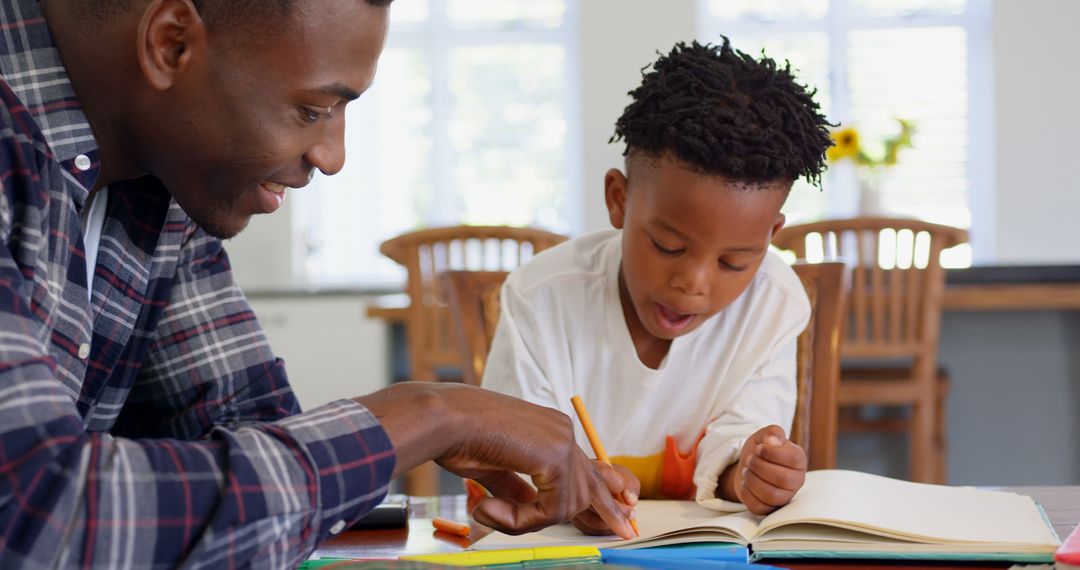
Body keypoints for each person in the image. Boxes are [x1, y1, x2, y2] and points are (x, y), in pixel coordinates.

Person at [0, 0, 635, 567]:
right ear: (171, 44)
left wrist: (422, 431)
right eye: (311, 109)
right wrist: (432, 415)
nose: (331, 156)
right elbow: (37, 514)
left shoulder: (166, 186)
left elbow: (250, 431)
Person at [482, 39, 834, 533]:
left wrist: (753, 472)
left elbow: (739, 439)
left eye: (735, 261)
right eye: (668, 246)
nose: (692, 283)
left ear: (770, 236)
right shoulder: (542, 297)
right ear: (619, 200)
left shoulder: (773, 302)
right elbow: (511, 452)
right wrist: (571, 486)